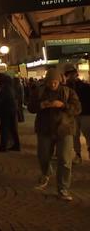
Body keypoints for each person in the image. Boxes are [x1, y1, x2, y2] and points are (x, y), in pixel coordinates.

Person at [29, 68, 81, 201]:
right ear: (46, 81)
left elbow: (77, 108)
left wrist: (63, 105)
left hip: (65, 129)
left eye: (55, 82)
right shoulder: (39, 92)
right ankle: (46, 172)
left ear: (59, 81)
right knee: (43, 155)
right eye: (50, 82)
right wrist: (42, 105)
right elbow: (31, 107)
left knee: (64, 160)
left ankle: (63, 188)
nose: (53, 84)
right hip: (44, 129)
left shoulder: (68, 92)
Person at [64, 64, 90, 165]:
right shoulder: (66, 88)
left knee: (88, 134)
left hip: (85, 114)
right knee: (75, 136)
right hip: (73, 115)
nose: (71, 76)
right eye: (69, 74)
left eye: (72, 74)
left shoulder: (85, 86)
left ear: (76, 74)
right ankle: (78, 155)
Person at [0, 74, 21, 152]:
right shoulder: (10, 88)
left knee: (4, 128)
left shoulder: (5, 89)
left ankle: (3, 146)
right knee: (12, 129)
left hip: (6, 112)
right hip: (11, 111)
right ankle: (16, 145)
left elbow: (4, 100)